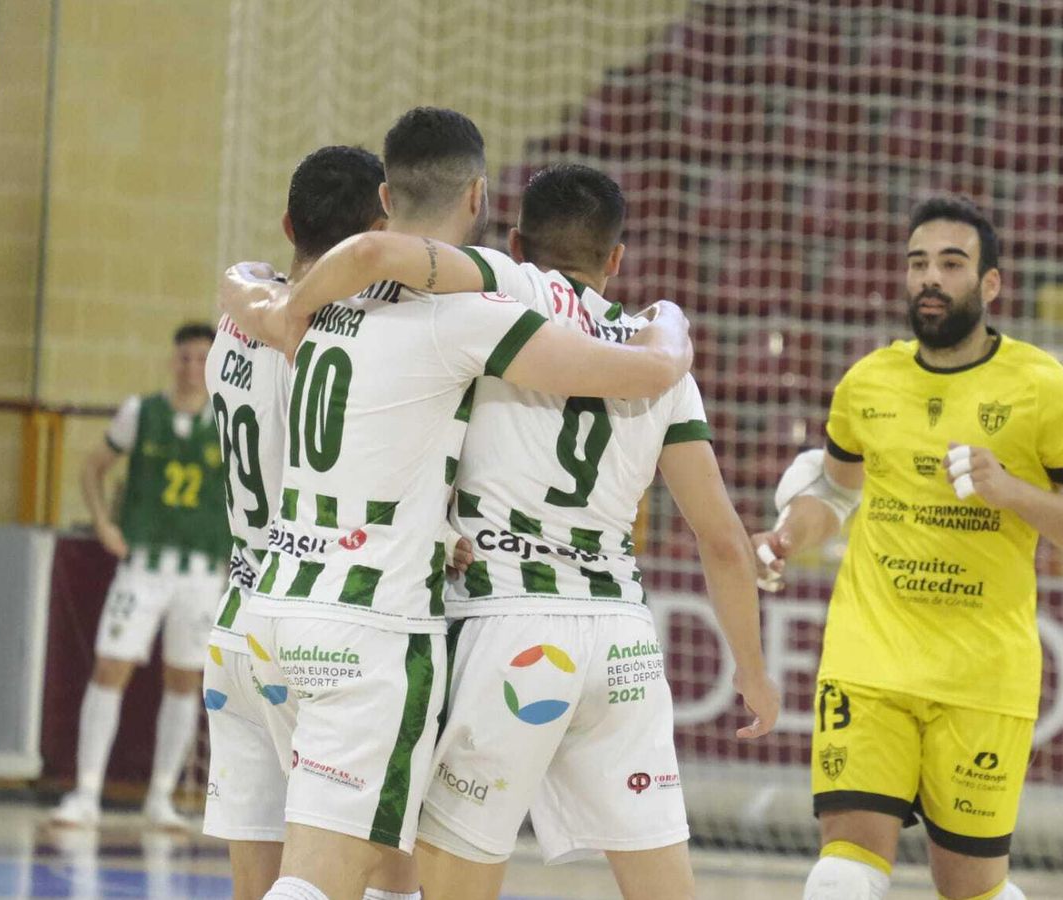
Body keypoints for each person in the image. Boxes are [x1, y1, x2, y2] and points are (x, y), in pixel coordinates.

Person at [219, 106, 694, 900]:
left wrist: (281, 307)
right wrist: (670, 326)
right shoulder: (466, 320)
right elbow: (645, 376)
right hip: (368, 625)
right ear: (478, 196)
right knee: (326, 882)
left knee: (377, 873)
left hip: (267, 603)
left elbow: (246, 280)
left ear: (386, 189)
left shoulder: (280, 307)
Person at [391, 163, 778, 900]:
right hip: (621, 641)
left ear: (512, 241)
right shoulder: (658, 355)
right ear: (615, 259)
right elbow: (723, 537)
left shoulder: (489, 312)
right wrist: (752, 671)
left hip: (505, 623)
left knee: (452, 884)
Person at [755, 197, 1063, 900]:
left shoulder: (1041, 386)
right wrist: (787, 536)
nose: (930, 278)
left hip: (983, 677)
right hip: (869, 660)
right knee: (840, 876)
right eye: (918, 263)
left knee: (973, 892)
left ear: (991, 284)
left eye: (951, 264)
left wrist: (1013, 492)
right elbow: (835, 492)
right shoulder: (869, 381)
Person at [203, 144, 441, 900]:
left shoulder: (234, 321)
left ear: (286, 223)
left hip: (237, 622)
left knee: (261, 886)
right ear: (378, 224)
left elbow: (246, 278)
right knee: (378, 875)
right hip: (319, 603)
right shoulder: (341, 331)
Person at [54, 323, 229, 830]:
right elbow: (93, 468)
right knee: (110, 668)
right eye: (185, 358)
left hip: (201, 568)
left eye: (202, 358)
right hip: (142, 566)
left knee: (184, 678)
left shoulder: (229, 417)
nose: (192, 368)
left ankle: (161, 796)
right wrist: (104, 524)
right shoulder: (141, 412)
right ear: (171, 361)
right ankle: (86, 793)